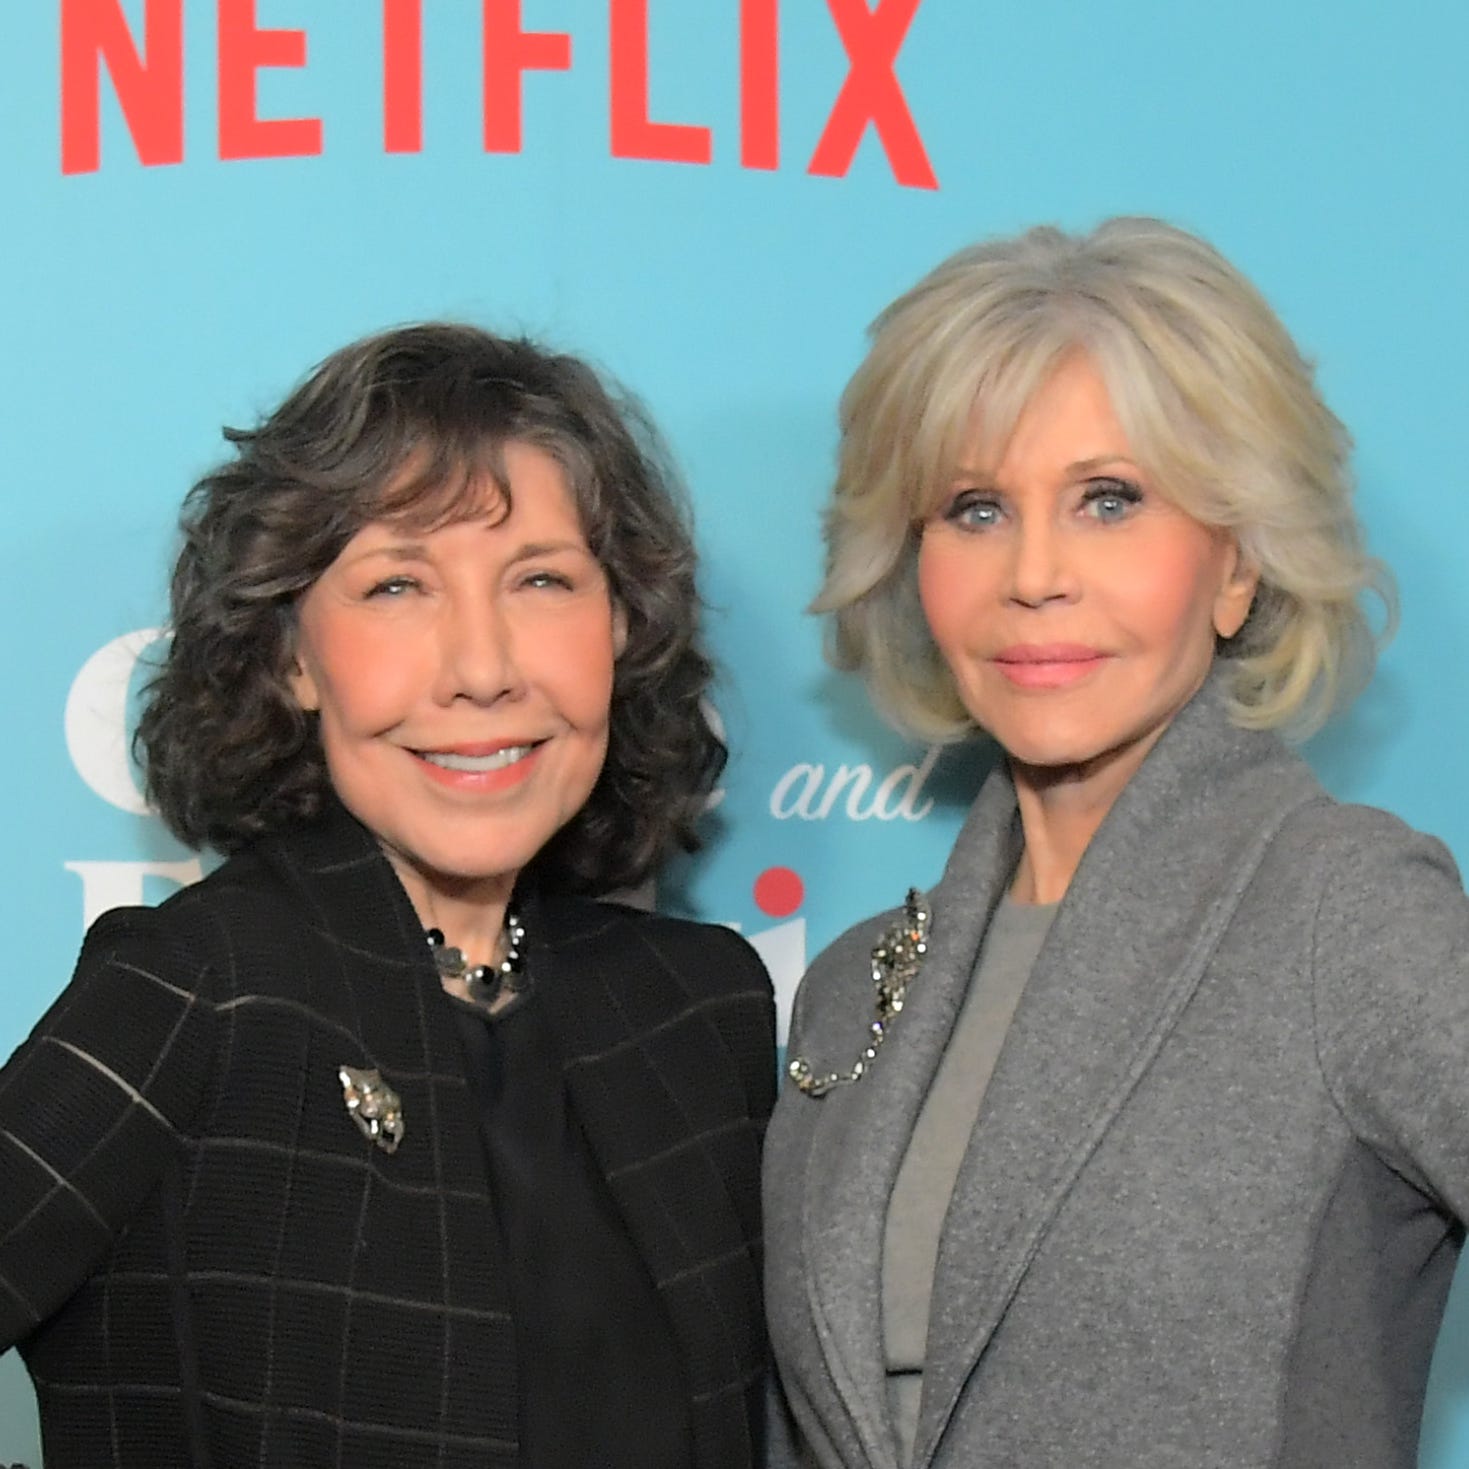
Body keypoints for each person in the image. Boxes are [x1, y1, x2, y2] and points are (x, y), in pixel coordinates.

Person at [0, 323, 776, 1469]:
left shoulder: (699, 1011)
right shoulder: (200, 990)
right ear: (292, 657)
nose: (479, 664)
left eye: (543, 580)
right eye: (398, 584)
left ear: (620, 627)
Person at [762, 217, 1469, 1468]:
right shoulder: (852, 984)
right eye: (974, 508)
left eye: (1108, 500)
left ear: (1236, 562)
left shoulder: (1343, 910)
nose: (1034, 573)